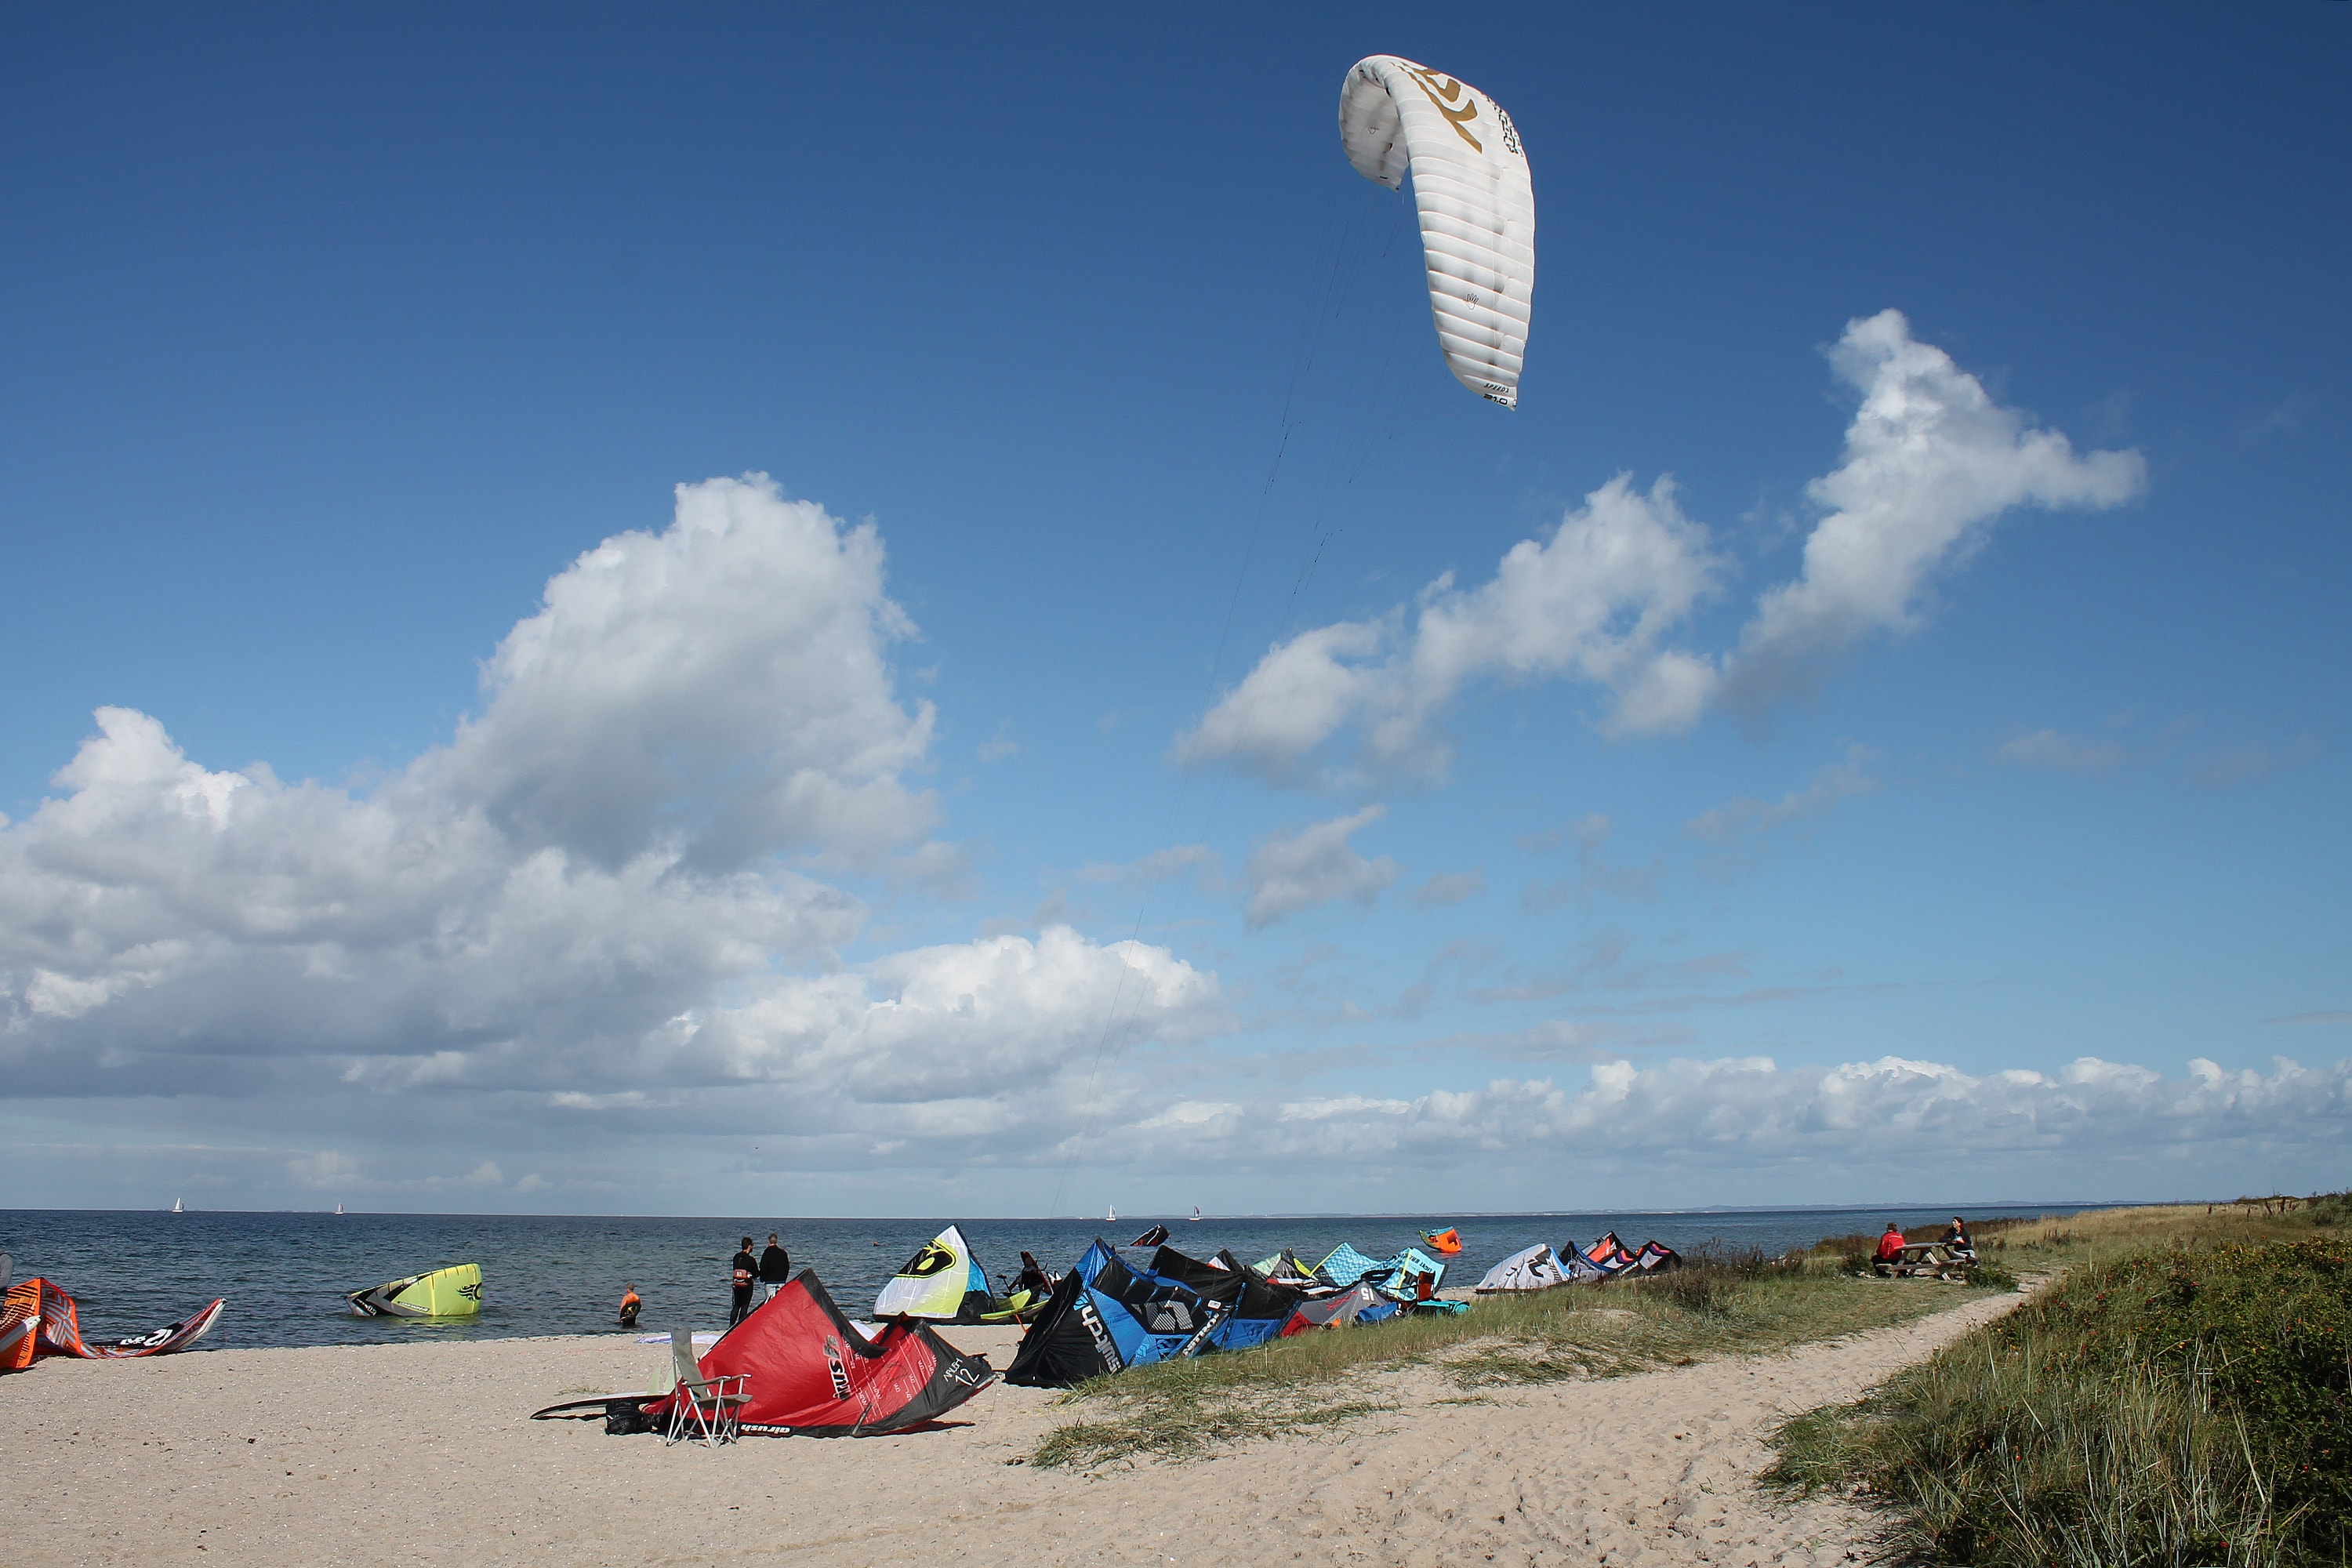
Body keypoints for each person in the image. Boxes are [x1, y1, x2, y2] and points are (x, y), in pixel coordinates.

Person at [728, 1236, 758, 1326]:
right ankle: (740, 1325)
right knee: (744, 1306)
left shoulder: (736, 1257)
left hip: (736, 1284)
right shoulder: (751, 1259)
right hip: (747, 1285)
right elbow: (756, 1273)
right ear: (749, 1246)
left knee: (736, 1305)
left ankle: (731, 1326)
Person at [757, 1233, 791, 1302]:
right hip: (781, 1281)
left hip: (769, 1281)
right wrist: (784, 1278)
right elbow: (787, 1267)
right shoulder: (783, 1253)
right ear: (776, 1241)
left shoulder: (767, 1253)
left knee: (771, 1303)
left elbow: (763, 1268)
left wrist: (762, 1279)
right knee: (780, 1302)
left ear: (768, 1242)